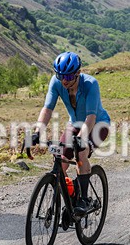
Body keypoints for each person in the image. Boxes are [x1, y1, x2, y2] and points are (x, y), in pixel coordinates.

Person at [31, 52, 110, 215]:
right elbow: (47, 109)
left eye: (68, 76)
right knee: (61, 160)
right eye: (60, 75)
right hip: (74, 123)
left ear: (77, 73)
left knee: (81, 153)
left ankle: (84, 199)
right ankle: (72, 194)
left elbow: (91, 117)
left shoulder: (90, 84)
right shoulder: (57, 82)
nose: (64, 80)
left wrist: (81, 139)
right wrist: (37, 131)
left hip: (97, 124)